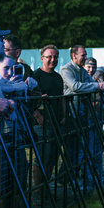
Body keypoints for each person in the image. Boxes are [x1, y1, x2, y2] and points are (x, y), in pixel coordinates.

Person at [59, 45, 104, 187]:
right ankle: (64, 178)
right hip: (70, 114)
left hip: (80, 114)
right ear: (74, 56)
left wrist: (100, 85)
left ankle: (67, 178)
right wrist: (98, 87)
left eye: (86, 55)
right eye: (83, 55)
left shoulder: (81, 70)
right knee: (72, 148)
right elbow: (75, 86)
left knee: (78, 148)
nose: (85, 58)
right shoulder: (66, 69)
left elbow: (91, 83)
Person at [31, 44, 65, 186]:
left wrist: (64, 115)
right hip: (41, 123)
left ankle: (46, 186)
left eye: (55, 57)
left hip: (57, 122)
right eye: (49, 57)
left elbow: (62, 96)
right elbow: (29, 98)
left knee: (53, 156)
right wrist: (38, 115)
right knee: (42, 155)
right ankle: (38, 189)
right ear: (42, 58)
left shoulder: (58, 77)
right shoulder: (35, 76)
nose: (53, 59)